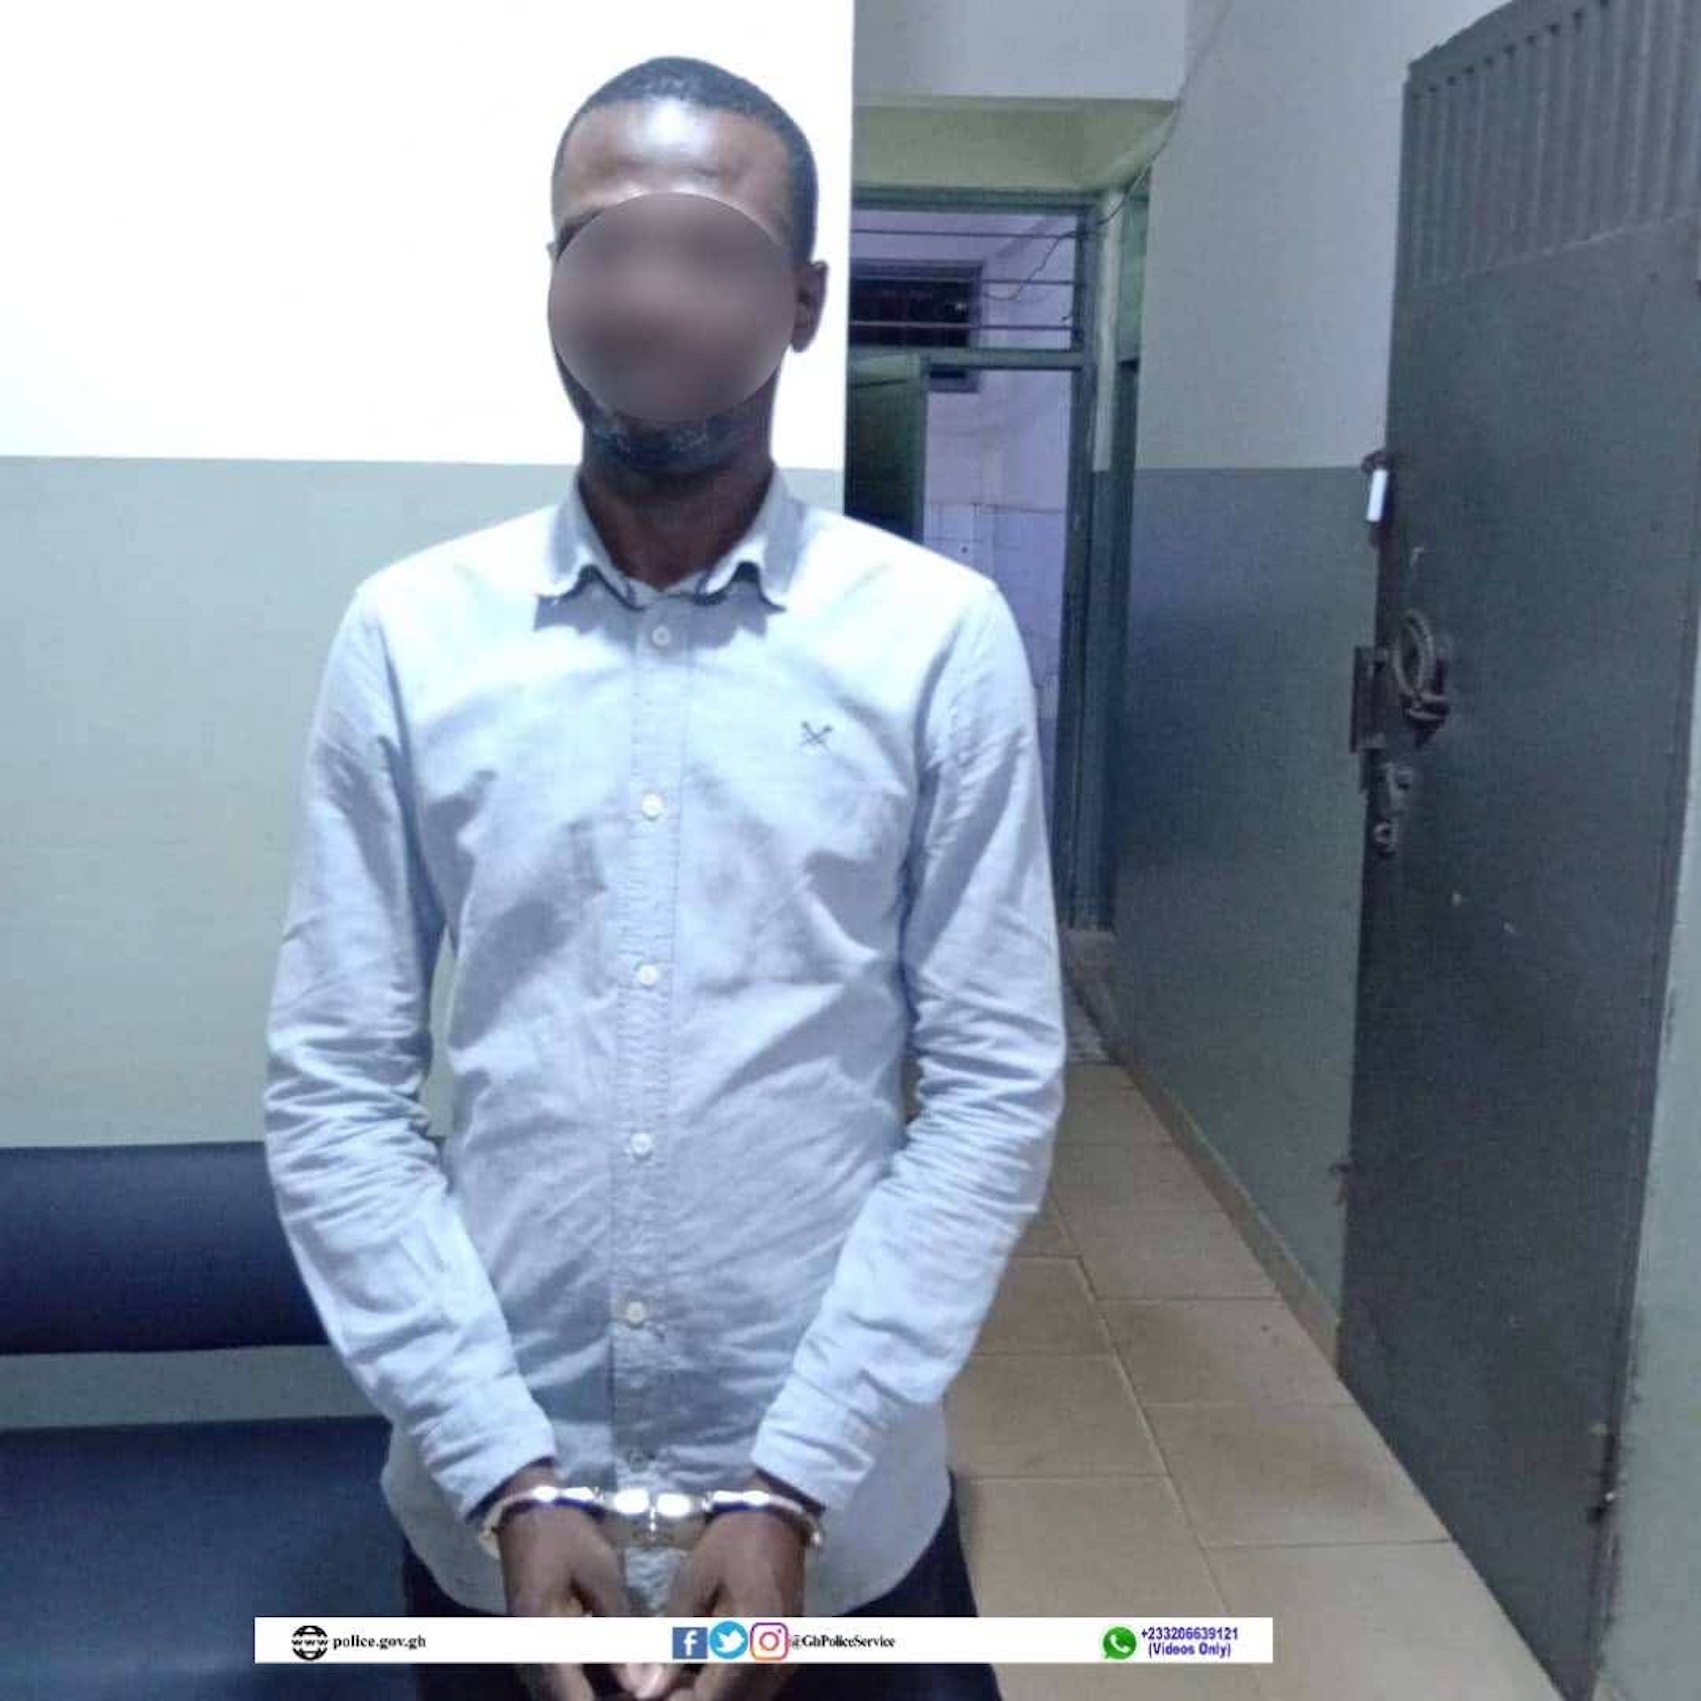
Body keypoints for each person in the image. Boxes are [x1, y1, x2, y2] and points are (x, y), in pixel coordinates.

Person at [262, 52, 1065, 1701]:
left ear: (804, 302)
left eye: (712, 247)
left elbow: (991, 1087)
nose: (648, 291)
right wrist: (501, 1468)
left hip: (838, 1532)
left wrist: (794, 1480)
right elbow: (334, 1082)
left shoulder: (935, 638)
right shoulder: (411, 634)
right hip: (494, 1526)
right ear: (552, 277)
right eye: (605, 240)